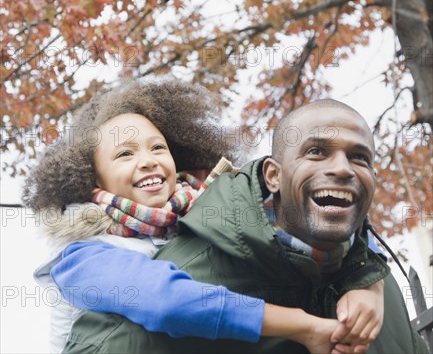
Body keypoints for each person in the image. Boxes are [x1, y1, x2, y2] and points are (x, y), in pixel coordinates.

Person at [24, 81, 382, 354]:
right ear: (93, 180)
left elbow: (311, 209)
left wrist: (368, 282)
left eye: (157, 147)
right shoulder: (82, 258)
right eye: (125, 154)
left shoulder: (201, 212)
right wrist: (300, 326)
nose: (147, 160)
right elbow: (168, 300)